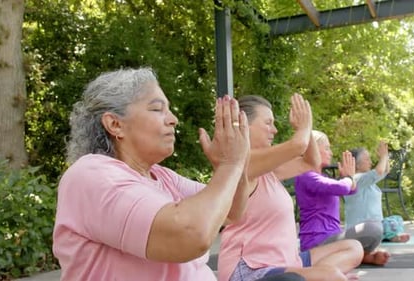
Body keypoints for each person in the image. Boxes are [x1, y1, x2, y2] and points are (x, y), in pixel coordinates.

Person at [52, 67, 306, 281]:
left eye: (169, 110)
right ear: (115, 124)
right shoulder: (91, 175)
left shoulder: (162, 176)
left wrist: (229, 166)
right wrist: (230, 164)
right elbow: (191, 235)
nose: (172, 119)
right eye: (157, 109)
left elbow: (232, 212)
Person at [218, 95, 363, 281]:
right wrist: (304, 125)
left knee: (353, 248)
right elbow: (297, 145)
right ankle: (324, 277)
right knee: (329, 275)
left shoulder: (269, 169)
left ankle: (320, 276)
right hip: (250, 269)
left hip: (286, 262)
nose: (275, 130)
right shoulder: (242, 162)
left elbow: (311, 162)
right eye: (268, 123)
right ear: (244, 124)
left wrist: (306, 129)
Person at [294, 130, 390, 265]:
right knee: (372, 229)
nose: (331, 153)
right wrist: (348, 178)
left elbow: (349, 190)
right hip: (316, 244)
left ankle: (360, 256)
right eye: (326, 148)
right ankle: (334, 262)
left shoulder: (321, 177)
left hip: (332, 239)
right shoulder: (306, 176)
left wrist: (347, 179)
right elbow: (343, 187)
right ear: (312, 150)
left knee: (374, 231)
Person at [344, 141, 410, 243]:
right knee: (389, 224)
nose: (370, 162)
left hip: (373, 225)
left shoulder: (367, 181)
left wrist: (385, 156)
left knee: (396, 219)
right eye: (367, 159)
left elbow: (385, 171)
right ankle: (390, 236)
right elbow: (379, 171)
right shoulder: (356, 179)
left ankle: (386, 235)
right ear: (356, 165)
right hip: (361, 227)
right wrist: (383, 157)